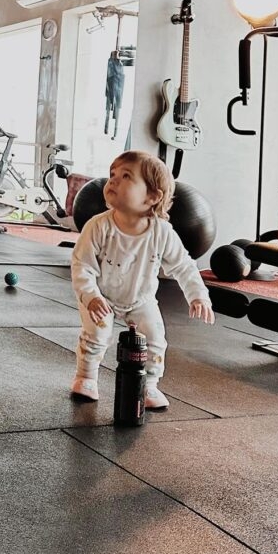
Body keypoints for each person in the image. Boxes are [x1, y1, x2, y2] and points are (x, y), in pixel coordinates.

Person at [70, 150, 214, 409]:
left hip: (141, 299)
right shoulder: (98, 226)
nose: (113, 180)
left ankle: (148, 386)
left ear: (152, 196)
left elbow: (184, 265)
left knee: (155, 339)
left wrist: (198, 295)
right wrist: (90, 296)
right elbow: (82, 267)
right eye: (112, 174)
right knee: (97, 333)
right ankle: (86, 376)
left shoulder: (162, 232)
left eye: (126, 176)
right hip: (101, 296)